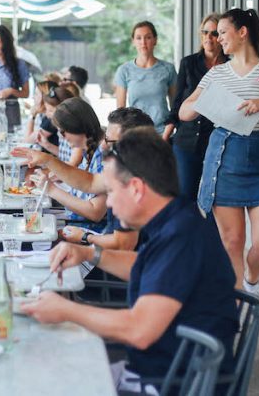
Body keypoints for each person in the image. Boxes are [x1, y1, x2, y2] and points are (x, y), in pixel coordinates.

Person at [22, 128, 238, 389]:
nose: (109, 204)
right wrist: (90, 254)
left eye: (111, 191)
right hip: (159, 369)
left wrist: (66, 310)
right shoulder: (177, 218)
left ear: (136, 188)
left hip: (172, 383)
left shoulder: (181, 235)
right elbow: (149, 268)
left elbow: (139, 330)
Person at [179, 7, 259, 293]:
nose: (217, 39)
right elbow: (185, 111)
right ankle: (233, 311)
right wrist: (205, 103)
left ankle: (251, 280)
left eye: (222, 33)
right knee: (232, 242)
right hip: (224, 155)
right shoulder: (217, 74)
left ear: (242, 32)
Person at [54, 106, 155, 253]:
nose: (103, 144)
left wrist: (85, 237)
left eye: (109, 140)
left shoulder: (134, 183)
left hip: (123, 265)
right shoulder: (135, 171)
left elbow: (123, 245)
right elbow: (91, 183)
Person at [164, 14, 228, 198]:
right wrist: (165, 137)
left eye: (214, 33)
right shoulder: (188, 63)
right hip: (186, 140)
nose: (209, 37)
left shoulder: (231, 67)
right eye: (205, 32)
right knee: (185, 195)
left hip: (216, 142)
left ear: (222, 36)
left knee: (214, 197)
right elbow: (177, 103)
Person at [30, 98, 105, 229]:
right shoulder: (88, 152)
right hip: (75, 224)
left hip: (86, 231)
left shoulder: (103, 156)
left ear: (77, 127)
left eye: (63, 132)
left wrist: (51, 189)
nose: (63, 137)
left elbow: (95, 212)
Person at [114, 21, 177, 133]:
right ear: (133, 41)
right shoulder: (124, 70)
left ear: (155, 40)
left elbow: (175, 107)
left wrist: (167, 135)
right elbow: (120, 111)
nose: (143, 42)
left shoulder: (168, 69)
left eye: (148, 37)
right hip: (135, 133)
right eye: (138, 38)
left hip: (163, 133)